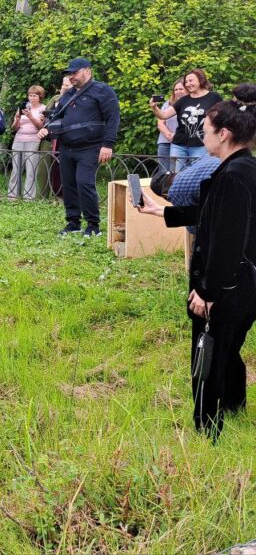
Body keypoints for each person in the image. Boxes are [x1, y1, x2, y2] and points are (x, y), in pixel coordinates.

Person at [137, 83, 256, 437]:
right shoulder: (242, 169)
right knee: (230, 348)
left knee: (209, 357)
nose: (201, 136)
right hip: (245, 283)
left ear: (225, 133)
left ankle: (207, 428)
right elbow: (215, 214)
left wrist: (207, 291)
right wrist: (162, 212)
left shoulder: (232, 176)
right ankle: (234, 406)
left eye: (206, 131)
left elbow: (226, 239)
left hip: (228, 285)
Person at [38, 57, 120, 236]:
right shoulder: (67, 95)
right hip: (67, 147)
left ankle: (93, 225)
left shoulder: (103, 91)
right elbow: (58, 119)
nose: (71, 76)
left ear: (87, 71)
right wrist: (47, 130)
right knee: (68, 185)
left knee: (84, 183)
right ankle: (73, 223)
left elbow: (113, 118)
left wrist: (108, 145)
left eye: (74, 72)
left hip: (90, 147)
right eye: (69, 73)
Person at [150, 69, 222, 172]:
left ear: (200, 80)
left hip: (200, 145)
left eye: (191, 81)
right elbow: (164, 115)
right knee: (175, 176)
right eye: (186, 82)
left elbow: (222, 118)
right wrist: (154, 107)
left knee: (197, 175)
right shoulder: (183, 100)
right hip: (179, 145)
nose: (188, 84)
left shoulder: (214, 97)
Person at [8, 85, 47, 200]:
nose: (32, 98)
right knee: (16, 169)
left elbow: (41, 126)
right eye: (30, 95)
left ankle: (29, 197)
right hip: (19, 140)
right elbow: (14, 128)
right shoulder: (23, 107)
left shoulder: (43, 109)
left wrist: (30, 116)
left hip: (34, 140)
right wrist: (17, 120)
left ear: (40, 97)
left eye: (34, 95)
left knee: (31, 169)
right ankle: (12, 196)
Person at [156, 79, 187, 173]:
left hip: (182, 143)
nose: (178, 92)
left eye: (181, 89)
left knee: (176, 172)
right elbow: (160, 123)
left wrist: (176, 136)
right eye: (176, 90)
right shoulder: (167, 104)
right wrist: (169, 135)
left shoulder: (190, 104)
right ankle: (162, 188)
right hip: (165, 142)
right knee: (163, 172)